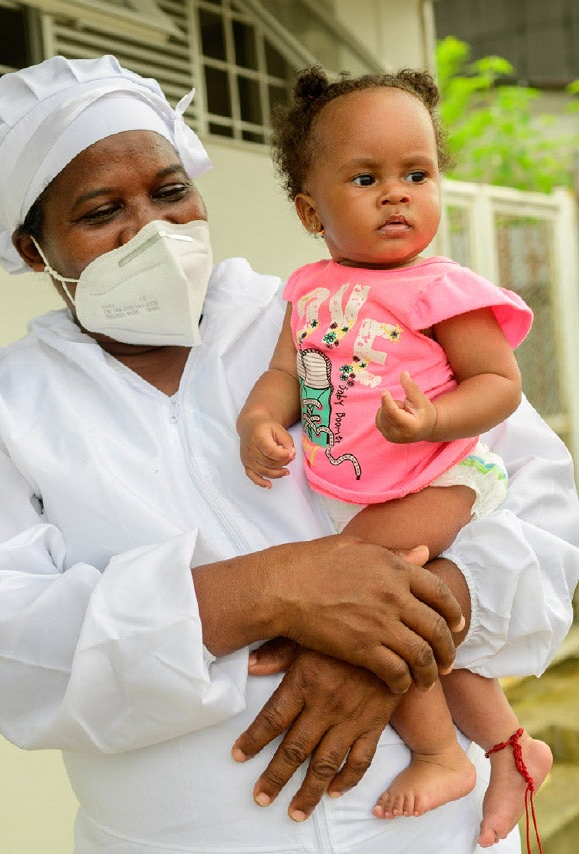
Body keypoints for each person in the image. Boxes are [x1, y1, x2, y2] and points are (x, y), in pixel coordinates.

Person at [0, 55, 579, 854]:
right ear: (30, 246)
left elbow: (536, 503)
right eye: (100, 211)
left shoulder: (331, 307)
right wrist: (268, 591)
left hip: (440, 835)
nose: (152, 230)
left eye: (169, 192)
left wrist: (390, 633)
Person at [236, 67, 553, 847]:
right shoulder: (309, 289)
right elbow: (285, 373)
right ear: (312, 211)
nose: (397, 194)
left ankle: (444, 754)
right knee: (411, 623)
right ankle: (512, 747)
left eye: (418, 174)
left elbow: (500, 386)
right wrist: (259, 418)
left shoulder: (442, 289)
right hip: (359, 488)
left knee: (359, 598)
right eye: (366, 177)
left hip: (439, 474)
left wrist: (433, 418)